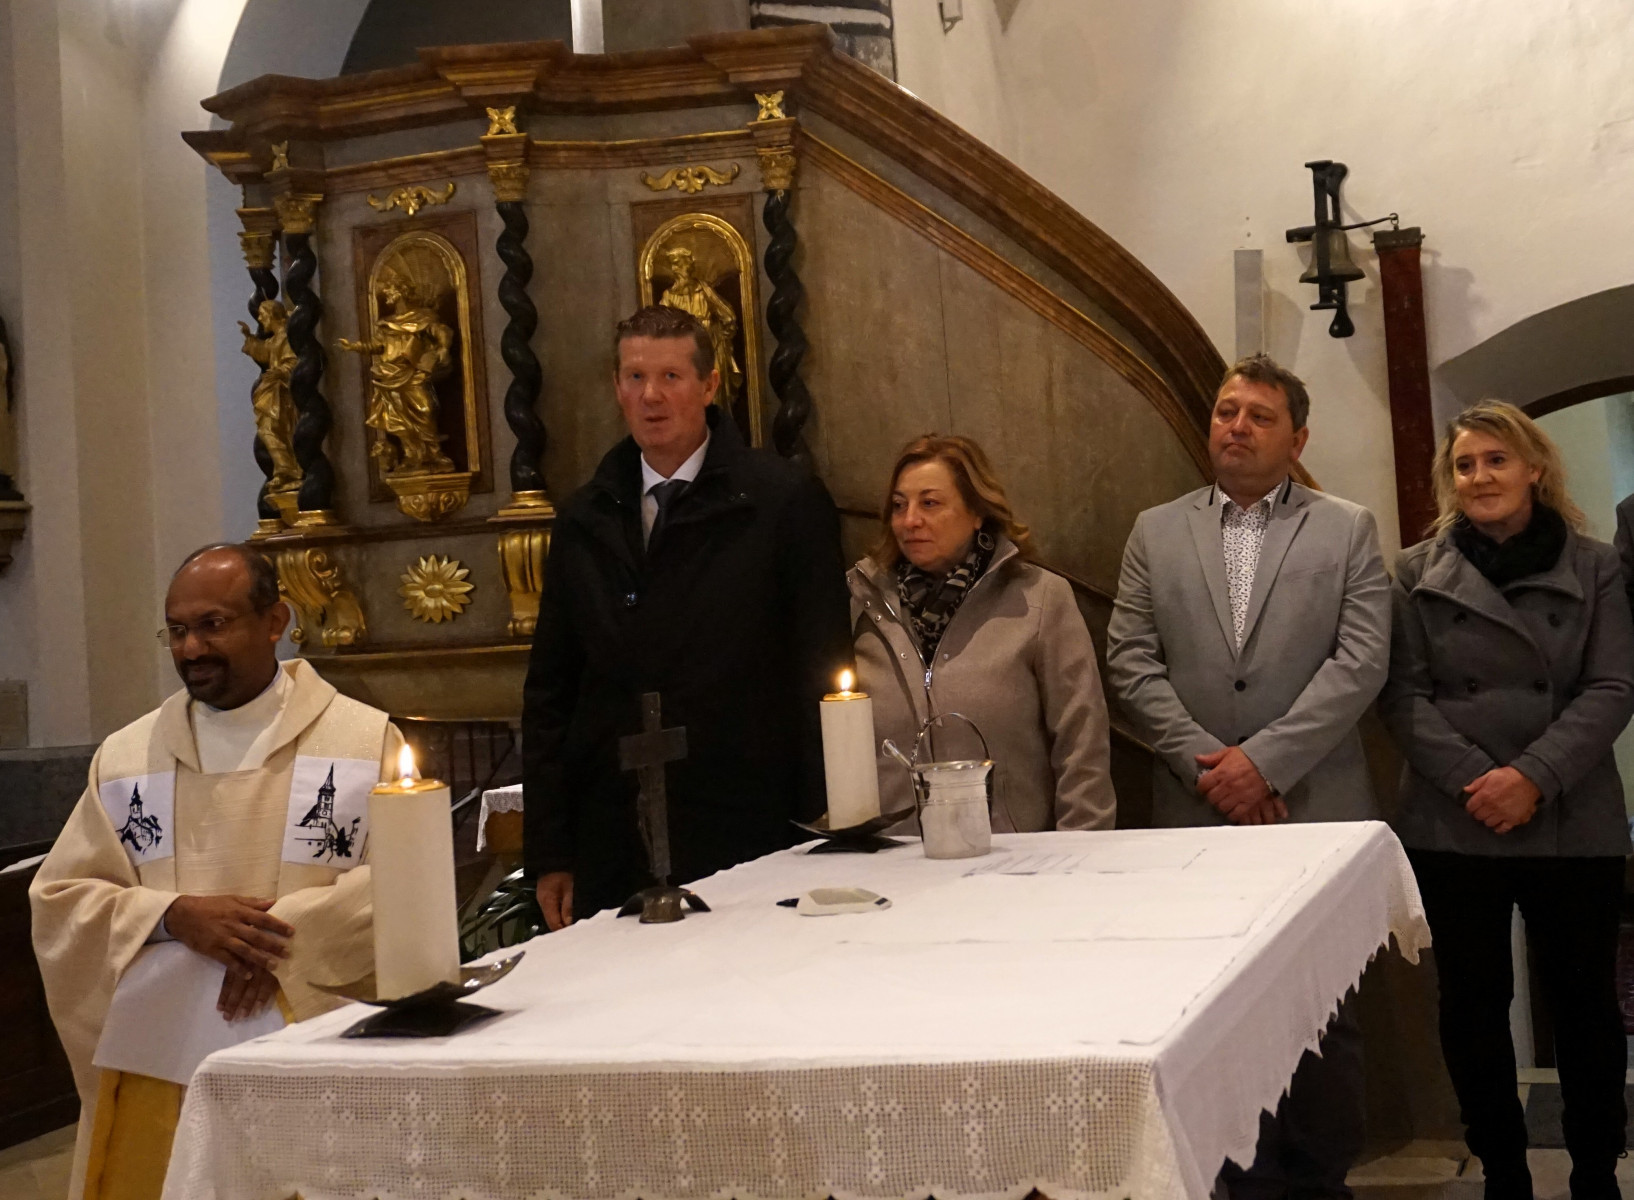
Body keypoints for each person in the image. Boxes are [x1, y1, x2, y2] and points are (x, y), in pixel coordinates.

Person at [30, 544, 405, 1200]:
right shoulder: (127, 758)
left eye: (213, 625)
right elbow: (62, 900)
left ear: (275, 621)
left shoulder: (361, 741)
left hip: (312, 1058)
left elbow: (403, 883)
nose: (191, 649)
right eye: (177, 630)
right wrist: (172, 917)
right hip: (166, 1066)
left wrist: (267, 942)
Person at [1106, 353, 1391, 1200]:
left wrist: (1263, 764)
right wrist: (1212, 768)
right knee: (1207, 1013)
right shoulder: (1155, 531)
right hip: (1196, 816)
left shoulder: (1347, 528)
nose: (1236, 427)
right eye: (1226, 411)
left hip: (1313, 814)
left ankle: (1319, 1181)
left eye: (1259, 416)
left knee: (1322, 1017)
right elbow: (1130, 661)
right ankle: (1234, 1176)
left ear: (1297, 439)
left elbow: (1361, 662)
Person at [523, 305, 851, 929]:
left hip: (751, 824)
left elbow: (821, 670)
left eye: (671, 376)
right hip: (614, 831)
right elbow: (551, 692)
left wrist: (826, 826)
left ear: (709, 385)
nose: (651, 395)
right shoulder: (585, 518)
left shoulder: (781, 502)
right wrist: (551, 851)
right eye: (635, 377)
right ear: (617, 388)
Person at [1379, 401, 1634, 1200]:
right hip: (1454, 820)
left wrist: (1533, 777)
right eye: (1465, 465)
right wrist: (1477, 781)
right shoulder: (1413, 571)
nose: (1480, 476)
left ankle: (1596, 1172)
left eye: (1496, 460)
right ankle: (1503, 1172)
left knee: (1586, 1005)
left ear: (1533, 469)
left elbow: (1613, 685)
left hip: (1571, 814)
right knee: (1474, 1007)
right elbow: (1402, 695)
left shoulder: (1595, 566)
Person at [850, 434, 1113, 829]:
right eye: (900, 505)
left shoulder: (1039, 598)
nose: (910, 521)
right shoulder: (863, 601)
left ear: (977, 512)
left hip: (1013, 853)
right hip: (896, 855)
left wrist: (1080, 849)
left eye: (930, 503)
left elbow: (1082, 745)